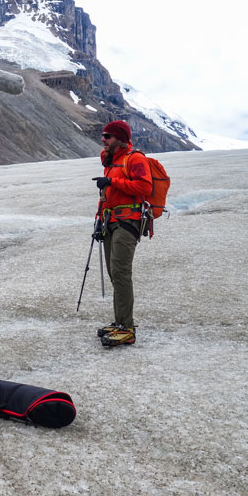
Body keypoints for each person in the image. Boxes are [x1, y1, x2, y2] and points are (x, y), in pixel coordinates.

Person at [92, 120, 153, 347]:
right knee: (113, 272)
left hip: (128, 221)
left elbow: (144, 187)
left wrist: (112, 181)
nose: (103, 139)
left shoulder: (135, 159)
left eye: (107, 136)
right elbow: (106, 195)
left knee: (120, 271)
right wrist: (99, 221)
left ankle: (126, 328)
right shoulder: (111, 160)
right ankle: (120, 322)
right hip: (110, 221)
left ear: (119, 138)